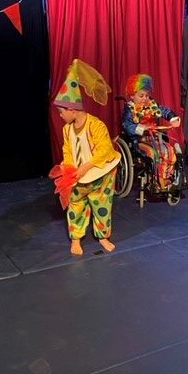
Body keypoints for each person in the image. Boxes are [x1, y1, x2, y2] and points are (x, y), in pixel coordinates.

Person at [54, 59, 121, 256]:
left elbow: (104, 150)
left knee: (102, 204)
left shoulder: (96, 125)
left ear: (72, 109)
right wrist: (69, 168)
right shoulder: (67, 129)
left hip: (100, 172)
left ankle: (103, 236)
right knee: (76, 205)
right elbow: (67, 150)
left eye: (61, 112)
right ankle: (76, 238)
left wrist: (87, 166)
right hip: (79, 175)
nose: (60, 116)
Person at [122, 74, 181, 190]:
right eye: (141, 96)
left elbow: (165, 111)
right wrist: (142, 128)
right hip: (139, 140)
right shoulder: (129, 109)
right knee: (153, 154)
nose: (145, 98)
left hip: (155, 138)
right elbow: (127, 126)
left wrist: (173, 119)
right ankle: (158, 181)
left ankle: (167, 178)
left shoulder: (152, 105)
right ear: (132, 95)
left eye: (147, 95)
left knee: (169, 150)